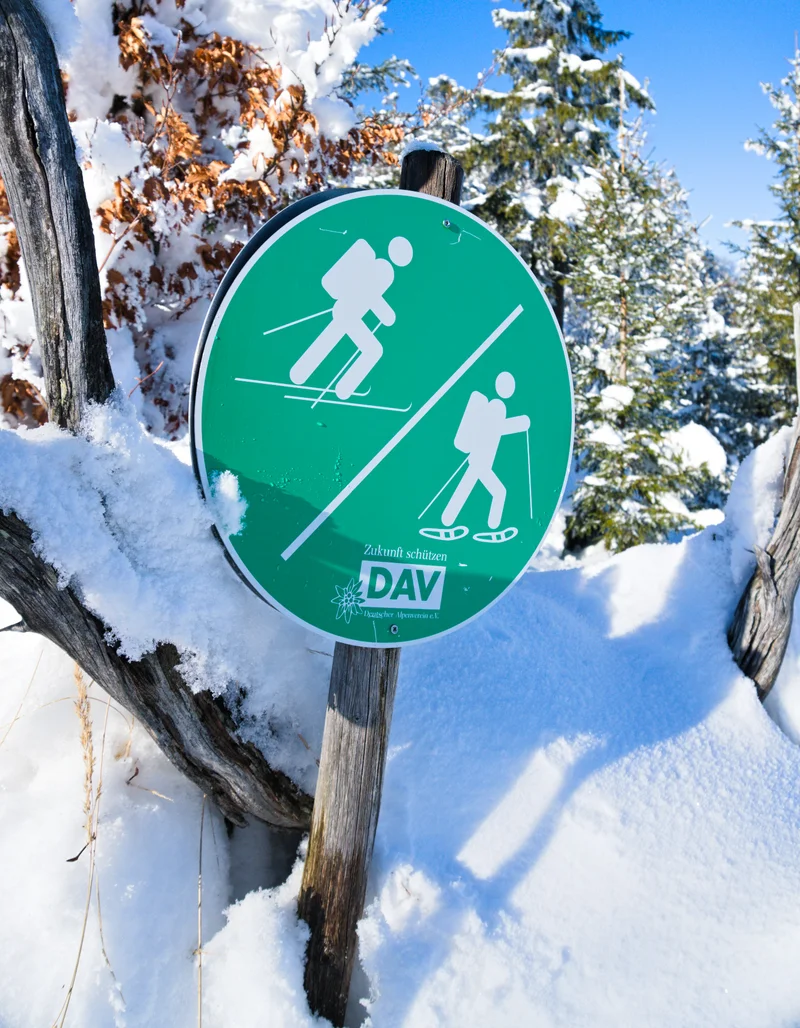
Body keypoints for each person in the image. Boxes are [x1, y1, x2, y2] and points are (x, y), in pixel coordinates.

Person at [289, 236, 413, 399]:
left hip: (345, 312)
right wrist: (388, 316)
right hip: (349, 314)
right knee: (372, 350)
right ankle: (341, 389)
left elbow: (371, 297)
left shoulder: (377, 263)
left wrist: (386, 314)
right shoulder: (383, 269)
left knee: (330, 340)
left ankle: (303, 374)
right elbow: (371, 296)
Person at [442, 371, 530, 531]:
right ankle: (451, 521)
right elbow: (497, 428)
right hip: (480, 460)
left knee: (478, 490)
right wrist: (520, 423)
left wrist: (520, 424)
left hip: (482, 461)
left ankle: (449, 520)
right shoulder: (496, 406)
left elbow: (497, 428)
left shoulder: (496, 405)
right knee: (496, 492)